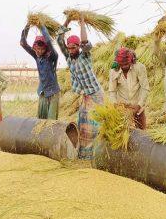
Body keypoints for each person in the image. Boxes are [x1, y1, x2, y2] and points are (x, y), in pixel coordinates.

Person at [57, 16, 103, 160]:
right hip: (85, 95)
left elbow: (85, 42)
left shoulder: (85, 56)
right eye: (69, 47)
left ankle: (94, 154)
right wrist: (67, 21)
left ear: (78, 47)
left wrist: (82, 21)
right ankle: (83, 154)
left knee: (93, 125)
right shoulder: (69, 58)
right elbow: (59, 39)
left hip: (95, 94)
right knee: (83, 123)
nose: (71, 50)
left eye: (74, 47)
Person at [20, 24, 60, 119]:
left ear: (46, 49)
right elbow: (23, 43)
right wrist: (27, 26)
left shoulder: (52, 56)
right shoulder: (37, 57)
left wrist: (41, 26)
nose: (39, 51)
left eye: (42, 49)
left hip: (53, 92)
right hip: (42, 91)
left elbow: (49, 42)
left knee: (51, 120)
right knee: (41, 119)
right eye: (37, 49)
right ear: (34, 48)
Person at [108, 48, 150, 129]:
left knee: (142, 133)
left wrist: (139, 105)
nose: (124, 67)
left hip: (137, 106)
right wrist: (115, 105)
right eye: (122, 65)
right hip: (122, 108)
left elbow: (145, 88)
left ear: (131, 60)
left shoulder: (139, 67)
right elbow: (112, 91)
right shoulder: (114, 71)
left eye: (126, 64)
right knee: (122, 133)